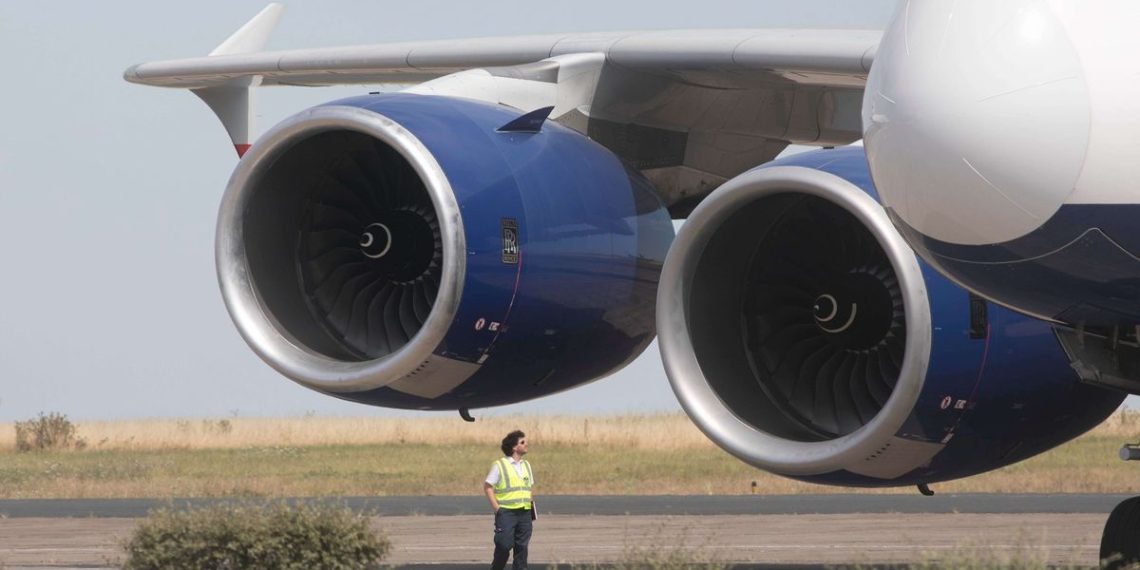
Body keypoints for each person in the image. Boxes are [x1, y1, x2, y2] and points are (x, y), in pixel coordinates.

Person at [483, 429, 534, 570]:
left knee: (522, 547)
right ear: (514, 447)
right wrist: (497, 509)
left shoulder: (526, 465)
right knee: (504, 545)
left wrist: (530, 506)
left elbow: (529, 487)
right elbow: (488, 486)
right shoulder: (500, 465)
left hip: (524, 513)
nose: (526, 444)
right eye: (522, 442)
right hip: (506, 513)